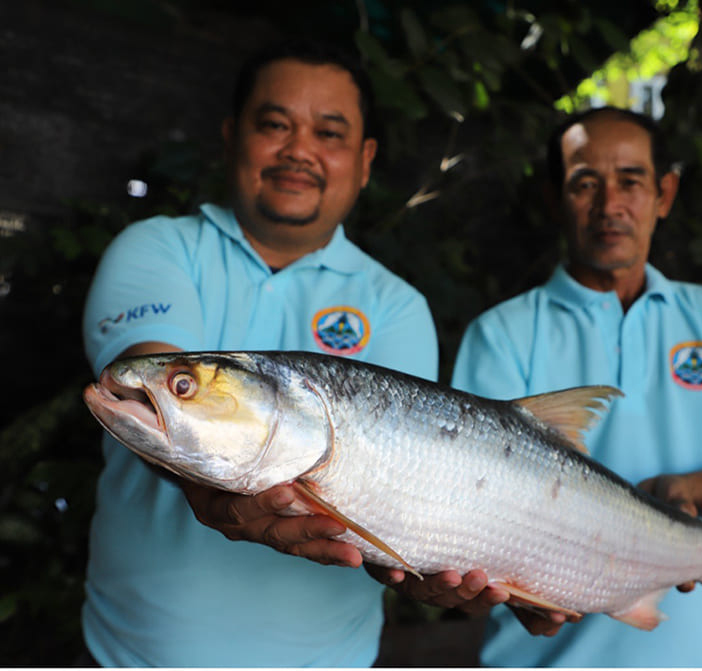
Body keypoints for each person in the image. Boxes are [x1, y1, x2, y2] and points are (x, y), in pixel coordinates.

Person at [81, 39, 440, 667]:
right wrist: (204, 472)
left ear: (364, 160)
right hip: (128, 655)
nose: (298, 150)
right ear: (230, 136)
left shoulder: (398, 305)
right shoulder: (158, 247)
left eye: (328, 133)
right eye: (274, 124)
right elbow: (153, 381)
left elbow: (395, 492)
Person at [446, 106, 702, 666]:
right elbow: (470, 512)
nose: (610, 206)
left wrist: (682, 488)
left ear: (665, 194)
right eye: (586, 184)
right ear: (556, 200)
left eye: (631, 181)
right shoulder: (502, 331)